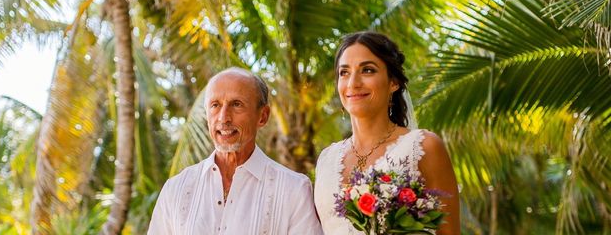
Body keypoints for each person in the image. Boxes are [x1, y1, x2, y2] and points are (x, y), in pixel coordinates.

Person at [314, 31, 460, 234]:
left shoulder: (423, 147)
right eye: (344, 72)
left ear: (393, 82)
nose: (353, 83)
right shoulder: (326, 160)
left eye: (367, 70)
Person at [148, 67, 323, 234]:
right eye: (215, 105)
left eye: (236, 104)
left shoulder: (294, 189)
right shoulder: (175, 189)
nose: (224, 118)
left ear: (262, 116)